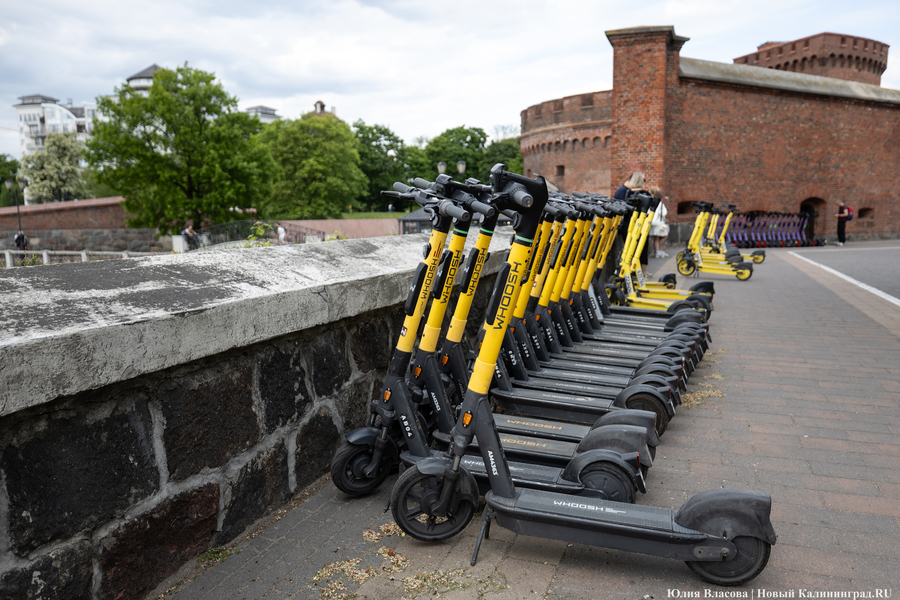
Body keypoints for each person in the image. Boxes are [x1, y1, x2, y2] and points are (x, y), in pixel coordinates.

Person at [648, 186, 669, 258]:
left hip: (652, 222)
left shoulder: (650, 202)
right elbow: (664, 213)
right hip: (659, 223)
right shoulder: (660, 204)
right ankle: (657, 250)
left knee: (656, 238)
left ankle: (658, 250)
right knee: (664, 235)